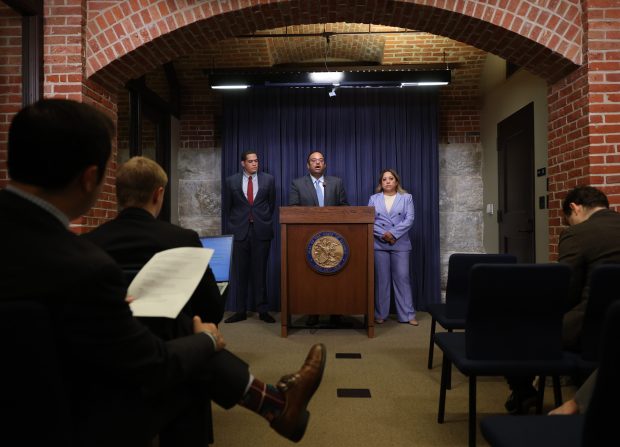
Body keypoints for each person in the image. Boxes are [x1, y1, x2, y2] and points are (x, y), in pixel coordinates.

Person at [0, 99, 326, 447]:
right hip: (69, 420)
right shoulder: (85, 268)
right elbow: (152, 364)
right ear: (90, 178)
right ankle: (274, 404)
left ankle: (276, 405)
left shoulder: (70, 253)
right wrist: (205, 341)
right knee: (184, 349)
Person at [505, 185, 620, 414]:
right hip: (614, 327)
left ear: (574, 208)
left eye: (568, 219)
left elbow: (564, 292)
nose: (569, 225)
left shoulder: (576, 234)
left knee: (514, 331)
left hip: (588, 330)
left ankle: (525, 394)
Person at [83, 156, 225, 341]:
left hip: (107, 346)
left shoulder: (89, 243)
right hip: (174, 347)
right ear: (158, 194)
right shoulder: (184, 239)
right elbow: (212, 311)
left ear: (118, 194)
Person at [289, 150, 349, 326]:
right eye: (313, 161)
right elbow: (293, 209)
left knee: (335, 276)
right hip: (308, 239)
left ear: (325, 165)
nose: (317, 163)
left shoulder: (336, 183)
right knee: (311, 277)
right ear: (308, 165)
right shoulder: (298, 184)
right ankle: (313, 312)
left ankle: (335, 313)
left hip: (335, 239)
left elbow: (345, 207)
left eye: (320, 160)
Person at [224, 151, 276, 324]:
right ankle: (240, 311)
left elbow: (271, 204)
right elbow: (228, 207)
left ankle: (263, 310)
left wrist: (263, 220)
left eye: (256, 161)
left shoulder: (268, 179)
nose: (255, 164)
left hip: (261, 231)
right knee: (240, 272)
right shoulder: (231, 181)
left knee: (260, 271)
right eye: (251, 161)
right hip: (240, 232)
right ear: (242, 163)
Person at [368, 169, 418, 325]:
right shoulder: (374, 198)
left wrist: (393, 234)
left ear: (396, 181)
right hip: (379, 244)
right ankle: (380, 314)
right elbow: (369, 220)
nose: (387, 181)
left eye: (391, 179)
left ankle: (408, 315)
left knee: (402, 278)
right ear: (380, 183)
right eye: (384, 179)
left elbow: (409, 219)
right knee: (381, 280)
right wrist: (384, 234)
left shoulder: (406, 198)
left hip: (400, 243)